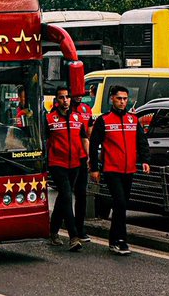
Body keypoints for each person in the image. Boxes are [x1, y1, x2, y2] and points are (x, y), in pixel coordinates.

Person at [89, 84, 150, 255]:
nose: (122, 102)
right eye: (119, 99)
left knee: (121, 206)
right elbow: (93, 145)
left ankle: (114, 240)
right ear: (112, 99)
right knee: (120, 203)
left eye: (125, 99)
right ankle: (120, 240)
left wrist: (145, 160)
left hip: (129, 169)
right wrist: (94, 168)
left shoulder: (133, 120)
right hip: (111, 169)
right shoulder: (104, 120)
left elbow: (142, 141)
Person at [45, 85, 88, 251]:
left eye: (67, 97)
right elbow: (45, 141)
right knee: (67, 197)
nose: (65, 100)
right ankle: (73, 237)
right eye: (61, 97)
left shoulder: (78, 118)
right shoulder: (49, 119)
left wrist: (89, 158)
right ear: (56, 100)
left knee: (63, 198)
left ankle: (53, 232)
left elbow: (84, 138)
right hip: (57, 164)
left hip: (75, 164)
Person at [70, 92, 93, 242]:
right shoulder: (60, 110)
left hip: (82, 158)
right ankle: (55, 228)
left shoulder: (86, 110)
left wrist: (90, 156)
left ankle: (80, 228)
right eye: (76, 93)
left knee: (81, 194)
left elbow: (89, 133)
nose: (79, 96)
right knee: (65, 196)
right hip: (65, 159)